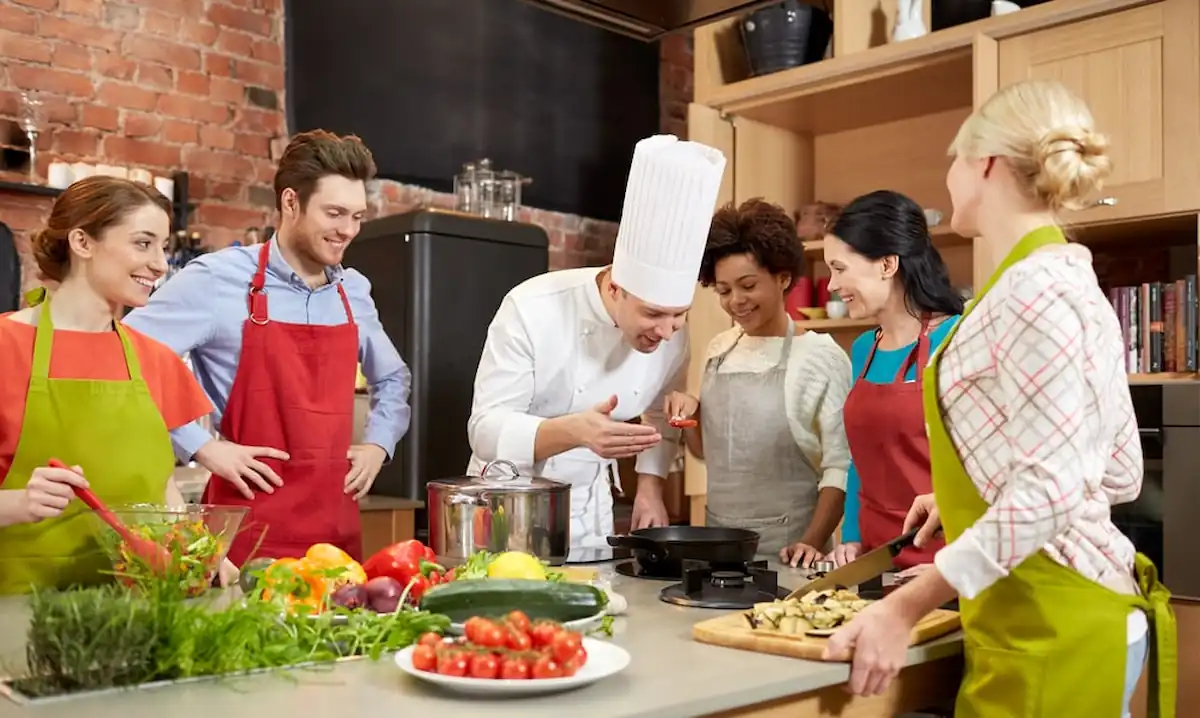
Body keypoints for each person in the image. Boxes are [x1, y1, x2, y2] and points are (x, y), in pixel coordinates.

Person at [824, 80, 1175, 718]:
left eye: (953, 162)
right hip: (1039, 612)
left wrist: (902, 607)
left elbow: (1054, 488)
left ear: (983, 164)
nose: (949, 181)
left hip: (1050, 621)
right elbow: (1118, 471)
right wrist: (966, 493)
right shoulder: (1061, 281)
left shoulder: (1031, 295)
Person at [123, 130, 412, 566]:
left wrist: (379, 445)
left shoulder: (354, 291)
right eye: (335, 213)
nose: (349, 231)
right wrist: (200, 445)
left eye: (357, 216)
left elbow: (393, 377)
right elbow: (126, 355)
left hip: (335, 535)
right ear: (291, 202)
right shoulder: (215, 280)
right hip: (245, 529)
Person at [468, 134, 726, 562]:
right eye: (654, 314)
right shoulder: (532, 308)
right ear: (616, 286)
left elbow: (661, 412)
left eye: (679, 314)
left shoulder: (674, 331)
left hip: (591, 514)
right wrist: (574, 431)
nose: (667, 331)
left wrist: (650, 486)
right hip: (507, 502)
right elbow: (484, 429)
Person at [0, 176, 223, 593]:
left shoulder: (154, 359)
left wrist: (195, 553)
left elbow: (163, 489)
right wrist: (15, 504)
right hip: (18, 616)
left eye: (163, 246)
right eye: (143, 243)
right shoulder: (5, 348)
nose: (160, 264)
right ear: (82, 243)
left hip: (137, 614)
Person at [662, 198, 851, 564]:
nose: (736, 302)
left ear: (782, 277)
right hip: (718, 548)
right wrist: (687, 417)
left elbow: (840, 467)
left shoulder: (820, 358)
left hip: (791, 555)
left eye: (748, 285)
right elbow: (706, 452)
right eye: (724, 290)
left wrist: (811, 543)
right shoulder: (720, 349)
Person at [821, 190, 963, 573]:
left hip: (945, 561)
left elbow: (985, 468)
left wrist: (954, 563)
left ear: (886, 265)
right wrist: (850, 539)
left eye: (840, 268)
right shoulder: (864, 348)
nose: (831, 285)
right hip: (874, 559)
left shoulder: (958, 340)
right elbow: (859, 460)